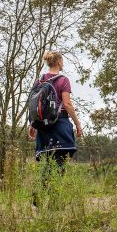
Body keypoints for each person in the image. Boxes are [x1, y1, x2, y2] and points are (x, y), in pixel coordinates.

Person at [28, 51, 84, 182]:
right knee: (60, 162)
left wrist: (32, 124)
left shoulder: (39, 80)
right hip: (60, 125)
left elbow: (34, 104)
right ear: (59, 61)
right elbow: (67, 104)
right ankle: (43, 193)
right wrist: (77, 124)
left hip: (43, 127)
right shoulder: (63, 80)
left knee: (49, 161)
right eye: (62, 61)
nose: (62, 63)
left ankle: (47, 197)